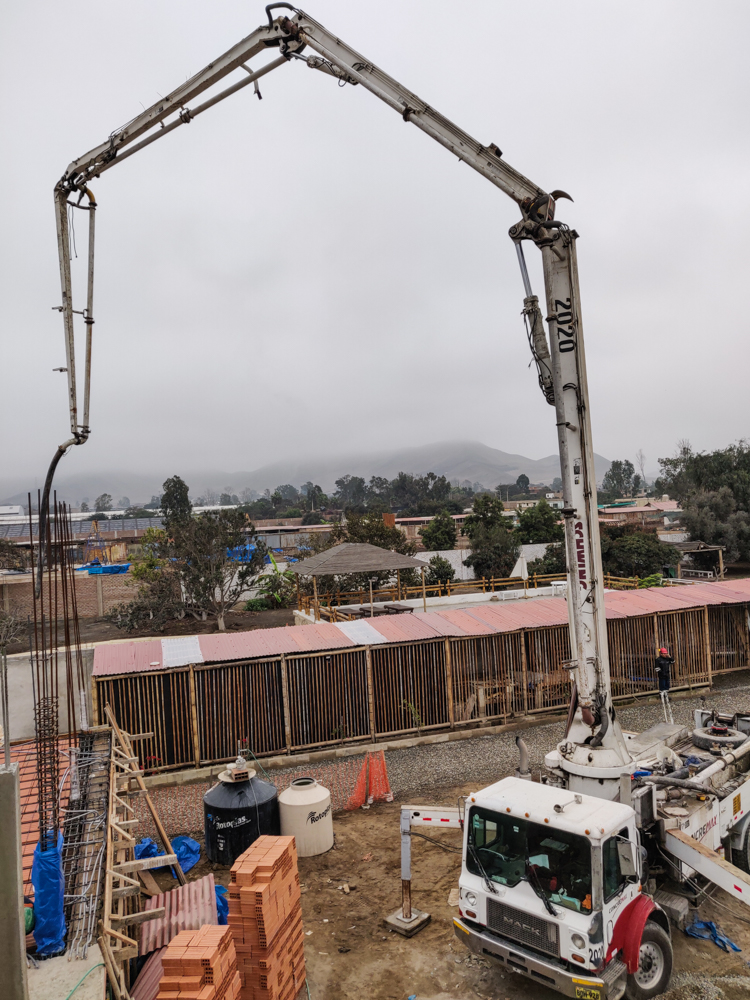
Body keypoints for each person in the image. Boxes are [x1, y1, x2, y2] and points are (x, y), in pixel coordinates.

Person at [655, 647, 675, 724]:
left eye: (666, 653)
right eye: (664, 653)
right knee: (662, 686)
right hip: (662, 676)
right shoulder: (658, 660)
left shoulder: (667, 659)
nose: (665, 654)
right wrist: (661, 672)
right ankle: (662, 696)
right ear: (661, 653)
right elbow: (656, 668)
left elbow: (673, 661)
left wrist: (669, 657)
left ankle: (666, 695)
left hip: (667, 675)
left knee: (667, 686)